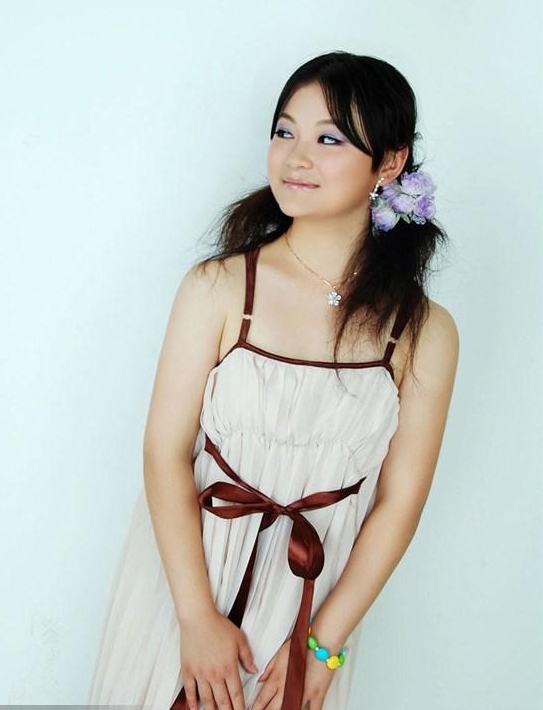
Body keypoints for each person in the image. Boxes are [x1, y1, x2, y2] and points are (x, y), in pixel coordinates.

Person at [88, 51, 459, 710]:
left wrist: (321, 644)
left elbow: (400, 502)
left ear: (389, 162)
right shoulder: (220, 287)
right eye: (284, 131)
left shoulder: (423, 330)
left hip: (309, 607)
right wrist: (195, 618)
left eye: (328, 139)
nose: (295, 157)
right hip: (186, 585)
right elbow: (163, 453)